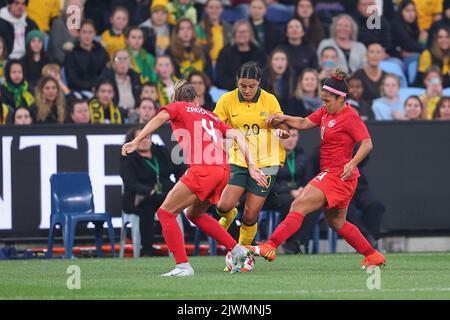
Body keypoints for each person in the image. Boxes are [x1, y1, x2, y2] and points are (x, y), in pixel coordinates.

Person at [122, 80, 267, 276]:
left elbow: (160, 117)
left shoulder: (178, 107)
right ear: (196, 99)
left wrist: (136, 140)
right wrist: (251, 165)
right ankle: (238, 251)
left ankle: (183, 265)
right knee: (194, 214)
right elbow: (238, 136)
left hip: (203, 169)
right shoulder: (210, 115)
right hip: (223, 171)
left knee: (166, 213)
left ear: (177, 98)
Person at [247, 68, 386, 269]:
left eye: (327, 100)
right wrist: (281, 117)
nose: (324, 104)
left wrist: (352, 162)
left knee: (298, 205)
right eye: (322, 100)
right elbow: (303, 122)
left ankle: (271, 245)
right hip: (337, 177)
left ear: (340, 98)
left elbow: (367, 143)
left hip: (337, 175)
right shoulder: (325, 112)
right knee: (337, 222)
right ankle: (373, 255)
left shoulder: (350, 116)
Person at [213, 62, 289, 264]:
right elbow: (216, 127)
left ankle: (242, 256)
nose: (247, 90)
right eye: (243, 85)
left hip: (267, 161)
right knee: (223, 206)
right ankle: (230, 215)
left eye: (251, 86)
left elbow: (283, 126)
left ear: (259, 84)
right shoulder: (226, 100)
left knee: (250, 214)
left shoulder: (269, 100)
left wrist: (282, 131)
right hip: (239, 159)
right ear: (237, 82)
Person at [120, 124, 180, 256]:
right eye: (141, 138)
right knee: (147, 207)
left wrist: (180, 184)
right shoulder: (128, 157)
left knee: (176, 200)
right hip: (139, 197)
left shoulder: (160, 151)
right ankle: (146, 249)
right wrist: (150, 192)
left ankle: (178, 246)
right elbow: (130, 183)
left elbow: (178, 168)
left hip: (163, 193)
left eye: (148, 137)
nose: (145, 141)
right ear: (133, 141)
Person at [262, 128, 310, 254]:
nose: (290, 140)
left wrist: (303, 190)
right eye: (287, 136)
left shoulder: (302, 155)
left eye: (294, 136)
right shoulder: (270, 155)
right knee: (290, 201)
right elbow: (268, 181)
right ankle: (289, 242)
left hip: (299, 194)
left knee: (315, 204)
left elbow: (309, 178)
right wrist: (289, 191)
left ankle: (297, 241)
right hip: (274, 195)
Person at [215, 20, 267, 90]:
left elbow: (264, 74)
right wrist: (238, 85)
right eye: (239, 32)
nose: (242, 34)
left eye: (245, 32)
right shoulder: (225, 52)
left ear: (250, 34)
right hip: (230, 91)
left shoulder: (259, 52)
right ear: (234, 34)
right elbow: (220, 76)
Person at [64, 19, 109, 95]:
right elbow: (72, 78)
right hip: (79, 91)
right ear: (79, 33)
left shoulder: (101, 50)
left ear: (95, 33)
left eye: (90, 32)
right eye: (84, 32)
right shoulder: (72, 52)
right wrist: (91, 87)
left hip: (101, 89)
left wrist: (98, 87)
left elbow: (105, 72)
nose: (87, 35)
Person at [195, 0, 232, 66]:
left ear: (222, 9)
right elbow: (198, 50)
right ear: (206, 9)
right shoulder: (199, 28)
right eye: (211, 7)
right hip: (206, 65)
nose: (214, 10)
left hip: (225, 64)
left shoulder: (228, 28)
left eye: (217, 7)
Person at [47, 0, 83, 65]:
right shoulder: (58, 24)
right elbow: (57, 54)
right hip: (59, 67)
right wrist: (75, 65)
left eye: (78, 7)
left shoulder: (84, 28)